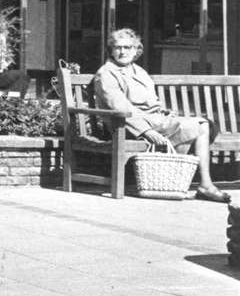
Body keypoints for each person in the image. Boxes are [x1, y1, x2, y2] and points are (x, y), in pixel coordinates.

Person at [94, 29, 229, 202]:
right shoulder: (106, 74)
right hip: (126, 127)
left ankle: (181, 183)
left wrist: (163, 112)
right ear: (111, 50)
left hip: (152, 121)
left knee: (200, 125)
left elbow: (150, 104)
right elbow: (120, 108)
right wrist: (145, 132)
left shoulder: (139, 72)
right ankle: (199, 184)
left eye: (128, 47)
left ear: (136, 50)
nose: (123, 52)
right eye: (118, 48)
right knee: (201, 125)